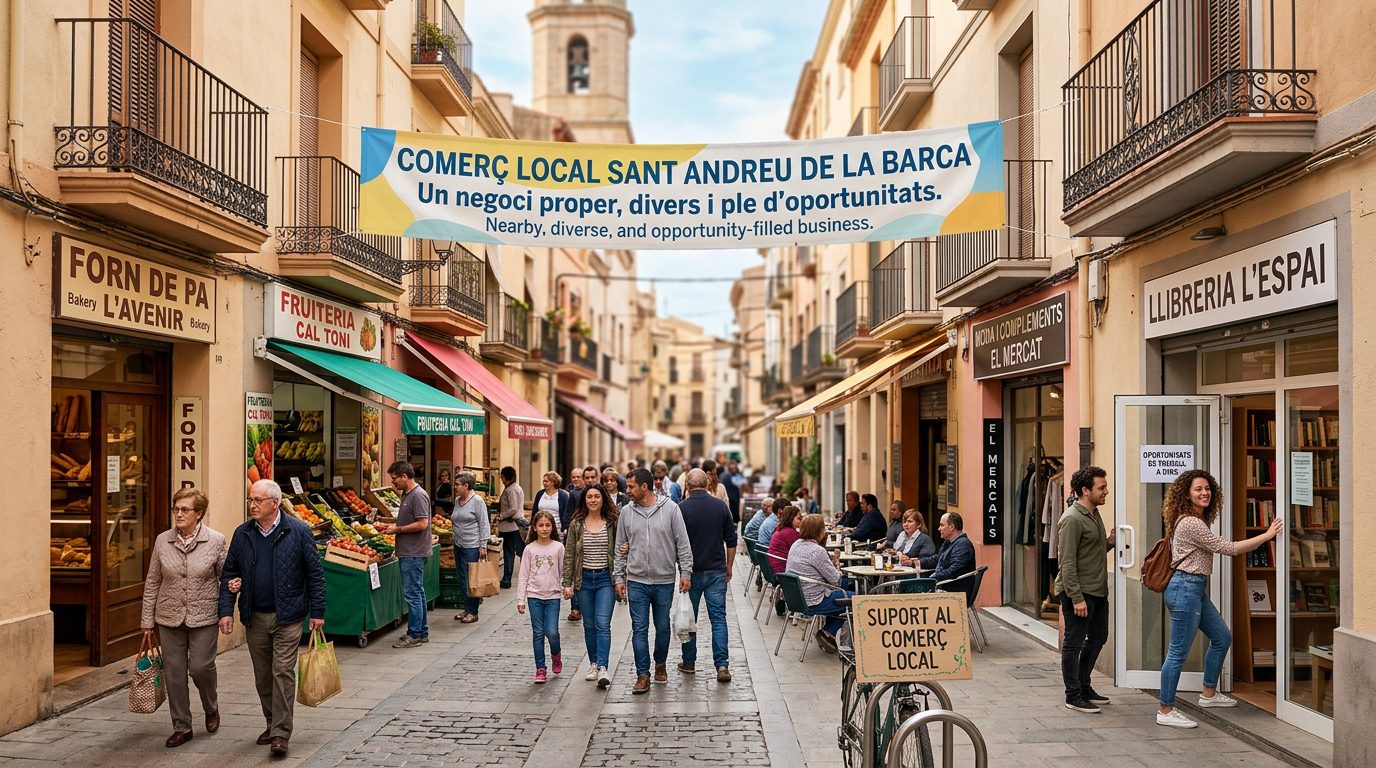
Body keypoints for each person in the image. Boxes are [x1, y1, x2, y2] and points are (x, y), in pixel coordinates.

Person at [1157, 470, 1283, 729]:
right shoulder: (1191, 523)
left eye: (1207, 488)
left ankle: (1209, 694)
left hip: (1193, 588)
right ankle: (1165, 709)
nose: (1204, 493)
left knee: (1222, 636)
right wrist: (1267, 535)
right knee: (1178, 652)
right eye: (1198, 489)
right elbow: (1230, 549)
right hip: (1186, 588)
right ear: (1187, 494)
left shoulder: (1195, 520)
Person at [219, 480, 325, 757]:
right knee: (263, 676)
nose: (252, 505)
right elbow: (229, 573)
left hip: (288, 616)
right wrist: (226, 610)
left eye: (257, 500)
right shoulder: (242, 534)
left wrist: (318, 613)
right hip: (254, 615)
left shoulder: (298, 530)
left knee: (282, 672)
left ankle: (280, 733)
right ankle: (271, 721)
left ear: (275, 503)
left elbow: (315, 574)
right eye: (250, 500)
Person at [141, 487, 226, 748]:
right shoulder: (162, 540)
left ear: (198, 514)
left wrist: (226, 612)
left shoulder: (216, 540)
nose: (179, 514)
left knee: (201, 667)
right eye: (176, 509)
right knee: (174, 673)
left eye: (185, 509)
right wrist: (147, 620)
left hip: (204, 615)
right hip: (168, 616)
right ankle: (182, 726)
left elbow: (227, 577)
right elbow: (153, 580)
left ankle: (211, 707)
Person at [613, 467, 694, 695]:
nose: (627, 490)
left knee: (662, 627)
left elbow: (683, 544)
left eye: (630, 486)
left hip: (664, 580)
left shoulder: (671, 509)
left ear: (644, 487)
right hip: (636, 580)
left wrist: (685, 572)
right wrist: (619, 577)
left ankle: (660, 663)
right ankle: (642, 674)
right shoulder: (627, 513)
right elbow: (619, 548)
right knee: (639, 629)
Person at [1052, 466, 1116, 713]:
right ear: (1085, 490)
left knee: (1099, 637)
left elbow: (1092, 552)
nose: (1106, 491)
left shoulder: (1094, 514)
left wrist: (1109, 542)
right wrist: (1076, 598)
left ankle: (1084, 684)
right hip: (1078, 592)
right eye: (1101, 487)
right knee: (1073, 643)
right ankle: (1073, 694)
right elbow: (1066, 562)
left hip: (1098, 590)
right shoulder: (1071, 519)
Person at [676, 469, 737, 681]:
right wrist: (729, 566)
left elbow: (674, 543)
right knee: (718, 618)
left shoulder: (681, 509)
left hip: (690, 573)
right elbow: (731, 540)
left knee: (689, 618)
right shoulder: (720, 506)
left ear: (688, 486)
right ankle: (722, 665)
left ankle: (689, 661)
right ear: (708, 483)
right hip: (716, 570)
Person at [562, 484, 617, 688]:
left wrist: (621, 576)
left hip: (605, 579)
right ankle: (593, 663)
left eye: (596, 497)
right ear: (584, 500)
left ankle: (603, 667)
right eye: (589, 497)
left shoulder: (612, 521)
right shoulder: (577, 523)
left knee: (603, 624)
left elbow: (620, 548)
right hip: (583, 579)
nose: (593, 500)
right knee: (589, 624)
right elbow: (569, 554)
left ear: (603, 499)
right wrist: (567, 583)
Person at [381, 461, 432, 648]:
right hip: (411, 551)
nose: (393, 483)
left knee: (412, 594)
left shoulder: (417, 495)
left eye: (395, 479)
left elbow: (422, 523)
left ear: (404, 476)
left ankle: (415, 635)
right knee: (417, 592)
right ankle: (421, 631)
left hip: (413, 552)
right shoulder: (408, 495)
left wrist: (398, 530)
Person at [785, 513, 852, 654]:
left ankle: (828, 635)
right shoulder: (817, 551)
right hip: (813, 600)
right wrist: (836, 562)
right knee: (854, 598)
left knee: (843, 591)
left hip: (797, 598)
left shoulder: (796, 545)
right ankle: (829, 631)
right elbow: (836, 580)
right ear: (819, 531)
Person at [517, 510, 564, 684]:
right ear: (535, 528)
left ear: (552, 528)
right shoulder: (529, 549)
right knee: (538, 633)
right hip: (534, 596)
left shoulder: (558, 547)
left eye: (547, 525)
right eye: (541, 525)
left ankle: (556, 654)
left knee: (551, 632)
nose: (544, 528)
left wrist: (567, 587)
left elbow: (563, 571)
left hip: (553, 596)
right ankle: (540, 668)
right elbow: (523, 575)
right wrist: (521, 599)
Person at [450, 471, 491, 624]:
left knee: (471, 579)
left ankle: (473, 612)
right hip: (458, 544)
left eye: (457, 484)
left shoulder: (477, 501)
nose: (455, 487)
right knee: (462, 578)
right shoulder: (457, 500)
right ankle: (467, 608)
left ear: (466, 485)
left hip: (472, 546)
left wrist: (483, 546)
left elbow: (484, 524)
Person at [919, 512, 976, 594]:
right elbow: (938, 558)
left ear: (952, 527)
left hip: (954, 591)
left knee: (914, 594)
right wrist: (917, 562)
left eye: (942, 525)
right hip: (942, 585)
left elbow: (953, 571)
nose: (939, 529)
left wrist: (931, 578)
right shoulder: (949, 542)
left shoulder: (963, 545)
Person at [497, 466, 528, 590]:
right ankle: (509, 579)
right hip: (512, 526)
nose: (501, 479)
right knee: (518, 553)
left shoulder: (511, 490)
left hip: (510, 527)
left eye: (502, 477)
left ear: (505, 477)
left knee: (510, 554)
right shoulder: (516, 487)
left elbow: (513, 509)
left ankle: (506, 580)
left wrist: (500, 516)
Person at [766, 506, 803, 576]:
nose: (801, 520)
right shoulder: (790, 533)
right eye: (798, 518)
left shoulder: (781, 529)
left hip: (775, 567)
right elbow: (802, 551)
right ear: (790, 518)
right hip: (783, 571)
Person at [533, 471, 570, 535]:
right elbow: (535, 511)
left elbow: (566, 514)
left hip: (557, 530)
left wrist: (565, 528)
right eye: (543, 481)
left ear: (553, 482)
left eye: (546, 481)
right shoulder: (540, 494)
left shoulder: (563, 496)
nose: (544, 483)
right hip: (541, 529)